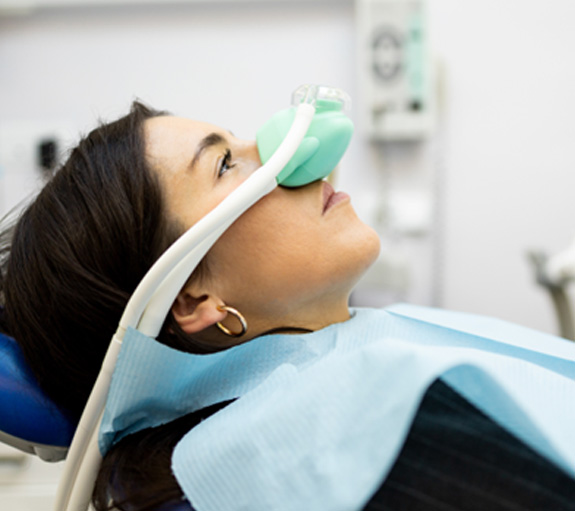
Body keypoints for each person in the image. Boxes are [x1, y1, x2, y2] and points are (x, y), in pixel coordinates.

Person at [0, 102, 573, 511]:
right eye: (225, 164)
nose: (290, 152)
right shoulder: (343, 439)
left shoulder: (351, 376)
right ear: (196, 297)